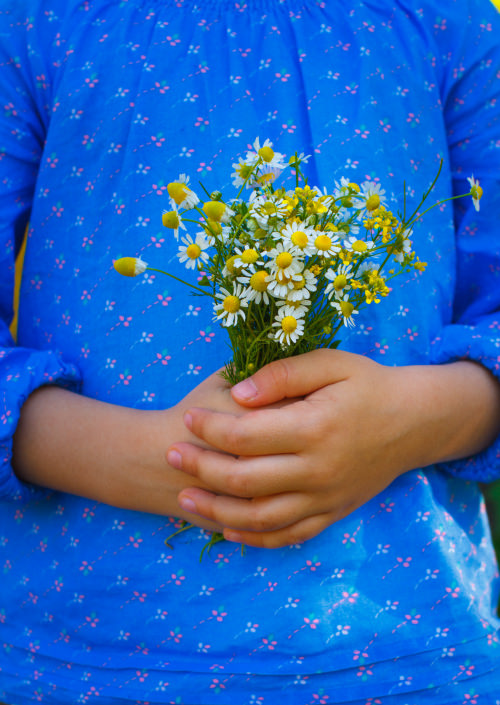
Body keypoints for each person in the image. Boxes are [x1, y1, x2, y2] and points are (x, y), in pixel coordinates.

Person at [1, 0, 500, 703]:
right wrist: (147, 457)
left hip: (407, 657)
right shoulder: (37, 18)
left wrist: (404, 422)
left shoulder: (450, 21)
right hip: (74, 657)